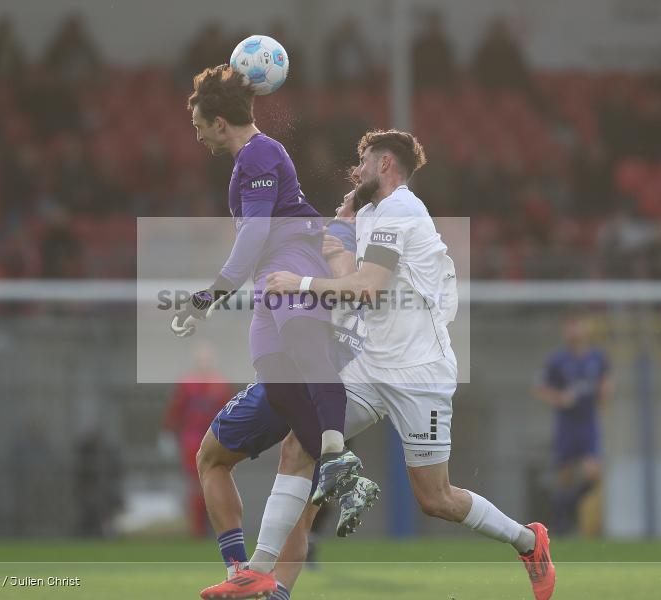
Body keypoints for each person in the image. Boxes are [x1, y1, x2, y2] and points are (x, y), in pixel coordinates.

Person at [243, 129, 556, 600]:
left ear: (385, 164)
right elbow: (350, 280)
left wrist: (300, 282)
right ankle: (260, 574)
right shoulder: (372, 212)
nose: (356, 170)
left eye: (363, 161)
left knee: (436, 499)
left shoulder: (403, 209)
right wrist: (342, 229)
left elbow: (366, 287)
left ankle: (529, 542)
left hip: (418, 374)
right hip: (370, 365)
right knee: (301, 445)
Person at [176, 65, 373, 599]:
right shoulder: (249, 163)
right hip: (271, 295)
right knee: (218, 458)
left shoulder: (261, 155)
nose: (195, 133)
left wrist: (211, 294)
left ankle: (334, 456)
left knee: (301, 441)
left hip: (292, 277)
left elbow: (256, 236)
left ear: (218, 122)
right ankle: (248, 574)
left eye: (198, 122)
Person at [197, 212, 375, 600]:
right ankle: (272, 592)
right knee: (301, 513)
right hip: (344, 389)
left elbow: (300, 329)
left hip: (297, 380)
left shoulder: (304, 251)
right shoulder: (375, 261)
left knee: (211, 458)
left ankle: (238, 569)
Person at [533, 311, 611, 536]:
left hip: (588, 424)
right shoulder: (557, 360)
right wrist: (559, 398)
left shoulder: (597, 357)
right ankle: (561, 523)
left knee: (593, 474)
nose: (573, 331)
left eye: (577, 325)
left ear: (585, 328)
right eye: (569, 326)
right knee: (564, 476)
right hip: (566, 425)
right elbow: (539, 387)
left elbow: (606, 381)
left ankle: (568, 507)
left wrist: (605, 391)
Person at [161, 344, 233, 538]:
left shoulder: (220, 384)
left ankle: (217, 528)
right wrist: (168, 433)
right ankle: (199, 530)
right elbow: (175, 410)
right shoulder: (186, 384)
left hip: (215, 440)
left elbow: (228, 414)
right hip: (192, 441)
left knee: (215, 484)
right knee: (197, 486)